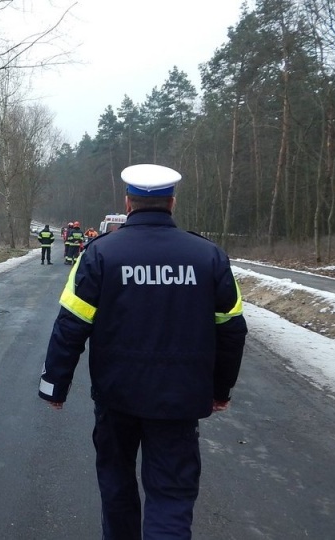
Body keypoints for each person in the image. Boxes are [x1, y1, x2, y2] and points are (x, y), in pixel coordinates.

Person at [37, 163, 248, 540]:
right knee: (171, 494)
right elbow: (231, 329)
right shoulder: (209, 256)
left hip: (117, 397)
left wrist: (55, 384)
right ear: (172, 202)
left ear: (127, 202)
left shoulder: (100, 254)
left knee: (117, 486)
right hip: (180, 401)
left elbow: (71, 323)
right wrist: (220, 390)